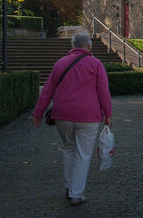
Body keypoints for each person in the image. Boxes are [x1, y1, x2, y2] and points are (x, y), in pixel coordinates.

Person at [32, 30, 112, 206]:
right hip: (88, 116)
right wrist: (108, 114)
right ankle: (76, 194)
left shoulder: (60, 63)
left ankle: (69, 187)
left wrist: (38, 113)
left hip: (62, 115)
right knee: (83, 154)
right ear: (89, 46)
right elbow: (103, 92)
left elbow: (47, 91)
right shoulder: (96, 64)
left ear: (72, 46)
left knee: (68, 149)